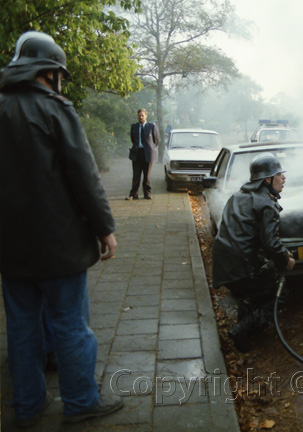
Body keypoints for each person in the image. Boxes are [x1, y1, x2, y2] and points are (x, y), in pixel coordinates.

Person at [0, 31, 122, 427]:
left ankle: (27, 407)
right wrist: (105, 228)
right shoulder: (56, 110)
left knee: (21, 331)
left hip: (11, 250)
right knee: (71, 327)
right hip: (60, 249)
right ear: (49, 72)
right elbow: (84, 176)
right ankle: (81, 402)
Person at [212, 153, 296, 352]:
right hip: (243, 266)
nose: (284, 178)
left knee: (250, 293)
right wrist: (286, 259)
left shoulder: (237, 196)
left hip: (224, 264)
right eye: (279, 174)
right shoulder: (267, 204)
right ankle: (242, 329)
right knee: (280, 294)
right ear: (267, 179)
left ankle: (244, 340)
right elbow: (271, 244)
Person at [127, 108, 160, 200]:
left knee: (146, 175)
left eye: (142, 115)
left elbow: (157, 140)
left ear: (146, 116)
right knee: (136, 175)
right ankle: (133, 194)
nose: (140, 117)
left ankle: (147, 194)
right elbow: (133, 139)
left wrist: (150, 148)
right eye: (139, 115)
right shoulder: (134, 126)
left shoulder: (152, 126)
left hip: (148, 154)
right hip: (137, 153)